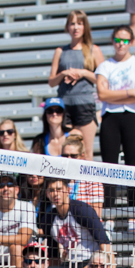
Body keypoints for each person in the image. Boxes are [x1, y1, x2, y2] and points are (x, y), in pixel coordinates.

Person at [96, 24, 135, 207]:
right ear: (113, 41)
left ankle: (133, 211)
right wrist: (129, 93)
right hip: (111, 117)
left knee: (133, 164)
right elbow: (102, 95)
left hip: (132, 116)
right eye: (118, 40)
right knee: (109, 165)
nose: (121, 44)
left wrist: (115, 94)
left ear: (132, 42)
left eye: (125, 40)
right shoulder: (105, 66)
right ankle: (109, 210)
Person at [49, 10, 105, 159]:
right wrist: (63, 74)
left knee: (85, 151)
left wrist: (83, 73)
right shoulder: (60, 51)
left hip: (84, 105)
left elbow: (103, 79)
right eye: (72, 23)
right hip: (65, 105)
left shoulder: (93, 50)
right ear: (67, 27)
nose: (76, 27)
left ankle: (86, 183)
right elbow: (51, 82)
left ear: (84, 26)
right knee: (66, 151)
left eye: (79, 23)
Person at [43, 178, 112, 268]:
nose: (55, 194)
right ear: (47, 194)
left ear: (67, 190)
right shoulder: (49, 219)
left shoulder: (81, 210)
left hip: (90, 261)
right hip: (68, 265)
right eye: (52, 190)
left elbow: (105, 242)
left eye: (59, 189)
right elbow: (53, 256)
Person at [59, 133, 105, 215]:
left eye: (73, 156)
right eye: (65, 156)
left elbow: (96, 215)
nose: (68, 159)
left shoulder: (93, 181)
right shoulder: (58, 181)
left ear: (82, 156)